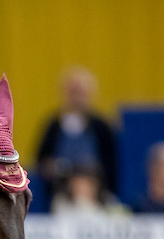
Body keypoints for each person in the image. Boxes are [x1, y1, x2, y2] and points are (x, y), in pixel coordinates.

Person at [35, 67, 119, 200]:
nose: (77, 98)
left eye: (81, 93)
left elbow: (111, 165)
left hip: (96, 196)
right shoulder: (53, 126)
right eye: (73, 92)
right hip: (60, 195)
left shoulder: (102, 127)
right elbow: (40, 161)